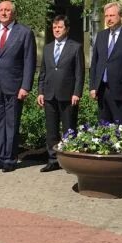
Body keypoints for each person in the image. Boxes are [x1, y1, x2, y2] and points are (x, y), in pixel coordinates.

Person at [0, 0, 36, 173]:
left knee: (11, 123)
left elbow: (29, 62)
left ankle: (10, 159)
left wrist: (25, 86)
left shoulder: (25, 32)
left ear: (13, 13)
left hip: (14, 86)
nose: (3, 13)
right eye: (0, 10)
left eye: (7, 10)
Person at [37, 15, 85, 172]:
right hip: (49, 95)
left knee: (69, 129)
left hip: (68, 95)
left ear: (67, 29)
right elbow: (43, 72)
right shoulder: (48, 48)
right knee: (51, 130)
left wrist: (77, 92)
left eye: (60, 27)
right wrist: (40, 91)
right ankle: (53, 160)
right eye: (54, 27)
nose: (56, 30)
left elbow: (79, 73)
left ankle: (69, 160)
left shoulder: (76, 47)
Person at [89, 2, 122, 124]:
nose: (109, 19)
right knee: (103, 129)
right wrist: (93, 86)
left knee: (121, 128)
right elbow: (94, 63)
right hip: (102, 90)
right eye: (106, 16)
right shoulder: (101, 36)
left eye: (112, 15)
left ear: (120, 15)